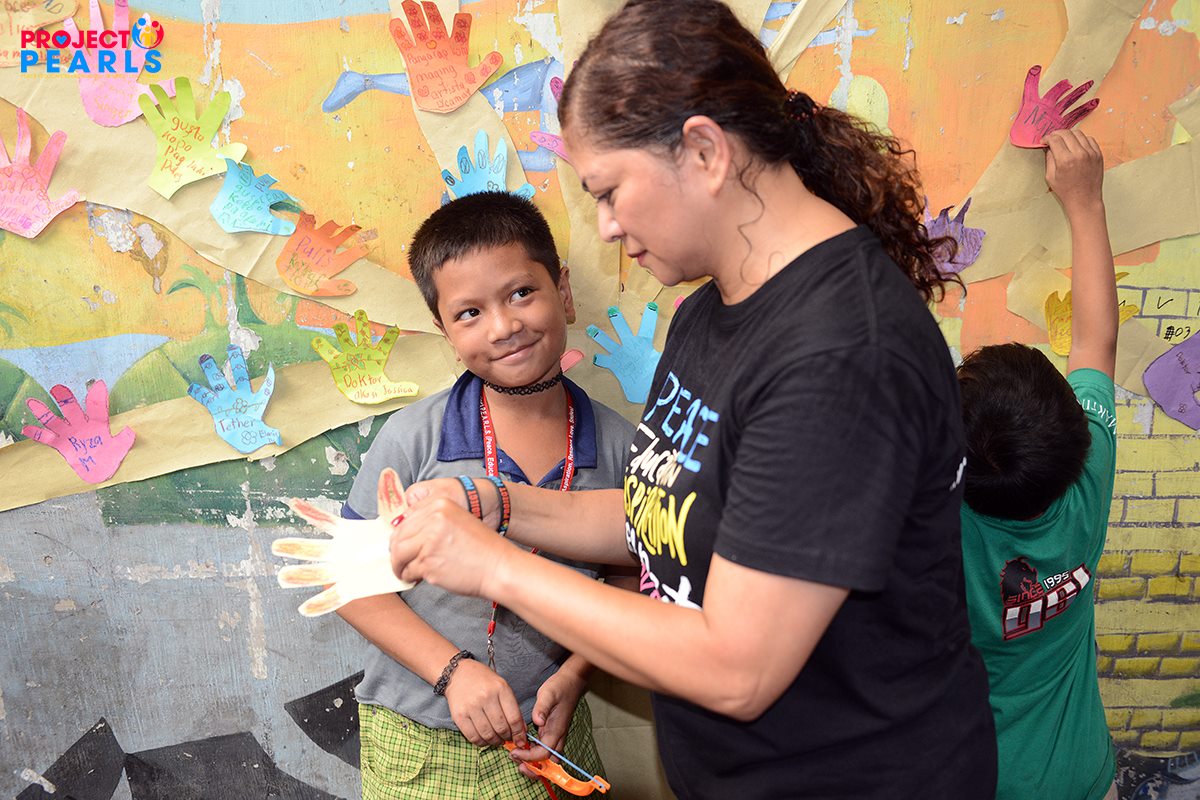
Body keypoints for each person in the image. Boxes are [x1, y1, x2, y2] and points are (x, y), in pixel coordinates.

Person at [386, 1, 997, 797]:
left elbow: (736, 668)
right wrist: (493, 504)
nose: (606, 226)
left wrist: (492, 567)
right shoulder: (712, 310)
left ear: (704, 151)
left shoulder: (840, 356)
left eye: (610, 191)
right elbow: (670, 511)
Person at [337, 191, 634, 799]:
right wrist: (453, 673)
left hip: (551, 738)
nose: (504, 327)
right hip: (418, 742)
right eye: (469, 312)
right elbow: (347, 577)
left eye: (521, 293)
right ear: (445, 331)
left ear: (564, 291)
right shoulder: (416, 439)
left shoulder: (622, 446)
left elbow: (630, 577)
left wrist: (578, 673)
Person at [957, 129, 1118, 800]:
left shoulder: (940, 528)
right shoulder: (1088, 482)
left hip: (981, 780)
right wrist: (1086, 203)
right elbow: (1096, 343)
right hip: (1085, 777)